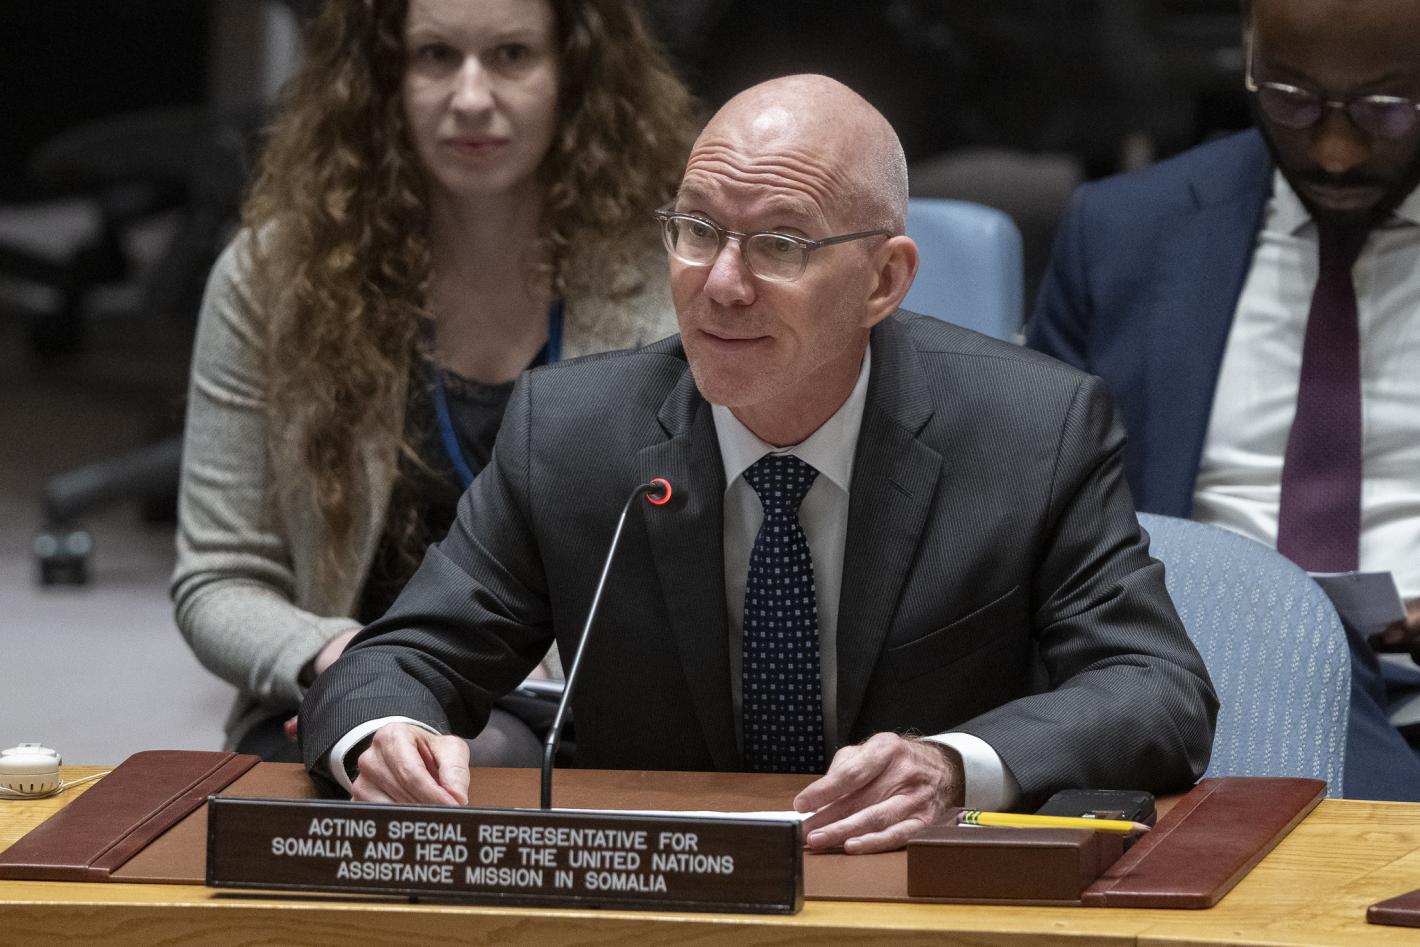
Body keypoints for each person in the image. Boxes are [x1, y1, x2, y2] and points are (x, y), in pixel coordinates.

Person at [300, 74, 1217, 854]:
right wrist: (388, 735)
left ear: (885, 280)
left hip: (917, 892)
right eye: (697, 230)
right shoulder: (574, 433)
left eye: (780, 244)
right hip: (658, 894)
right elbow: (404, 655)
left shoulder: (1031, 430)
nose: (723, 284)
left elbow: (1157, 688)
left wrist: (953, 763)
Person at [172, 0, 697, 763]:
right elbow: (220, 579)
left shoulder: (671, 281)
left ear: (574, 72)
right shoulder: (271, 277)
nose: (472, 97)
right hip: (336, 693)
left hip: (579, 719)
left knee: (489, 774)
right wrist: (348, 663)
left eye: (512, 55)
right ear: (382, 76)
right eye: (435, 56)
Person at [1027, 0, 1420, 800]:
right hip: (1205, 687)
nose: (1336, 152)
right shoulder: (1122, 230)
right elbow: (1030, 508)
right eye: (1292, 101)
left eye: (1385, 109)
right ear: (1247, 55)